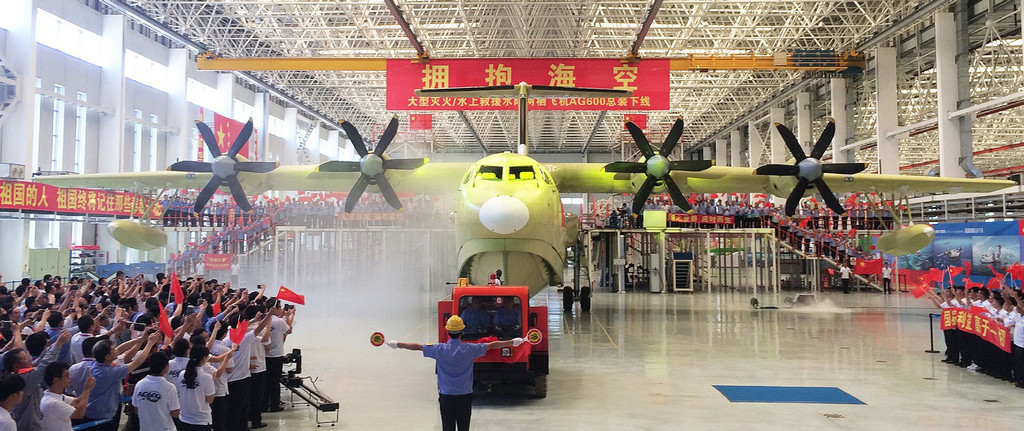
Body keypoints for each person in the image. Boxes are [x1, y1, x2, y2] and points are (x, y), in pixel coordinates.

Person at [385, 315, 524, 431]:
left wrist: (397, 344)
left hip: (446, 396)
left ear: (448, 332)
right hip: (464, 396)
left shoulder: (439, 349)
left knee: (447, 427)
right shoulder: (470, 349)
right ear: (462, 332)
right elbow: (492, 345)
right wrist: (513, 342)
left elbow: (417, 347)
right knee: (464, 428)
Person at [132, 352, 180, 431]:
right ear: (166, 367)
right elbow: (175, 413)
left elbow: (136, 408)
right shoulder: (169, 387)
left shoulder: (139, 384)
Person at [40, 362, 94, 431]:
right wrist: (87, 390)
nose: (69, 378)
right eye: (67, 375)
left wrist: (87, 387)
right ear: (56, 380)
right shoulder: (53, 403)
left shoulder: (55, 396)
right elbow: (79, 414)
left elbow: (77, 402)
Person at [178, 346, 218, 431]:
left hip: (184, 418)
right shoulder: (207, 378)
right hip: (201, 421)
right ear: (204, 358)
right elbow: (210, 399)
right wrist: (211, 381)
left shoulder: (182, 374)